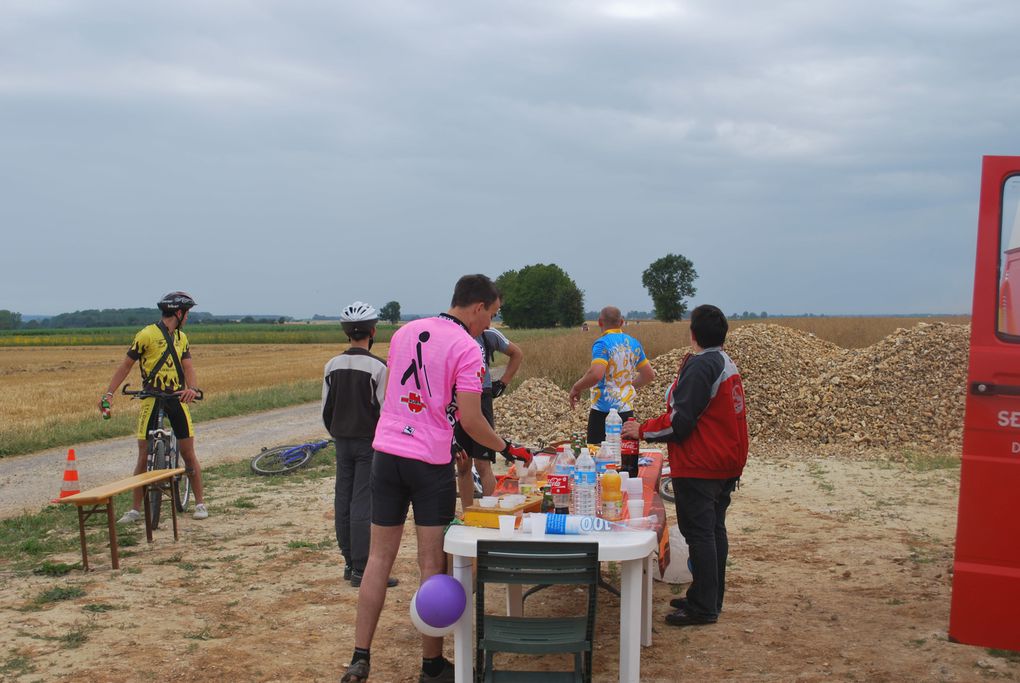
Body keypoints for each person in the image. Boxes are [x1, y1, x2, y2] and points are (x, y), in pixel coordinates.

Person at [340, 274, 531, 683]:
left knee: (377, 559)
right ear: (477, 306)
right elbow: (472, 418)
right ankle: (431, 665)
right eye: (491, 315)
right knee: (433, 563)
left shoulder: (405, 332)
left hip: (386, 454)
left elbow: (404, 395)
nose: (489, 325)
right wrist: (506, 447)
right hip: (428, 463)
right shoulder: (467, 346)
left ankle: (360, 656)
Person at [622, 304, 749, 627]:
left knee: (701, 533)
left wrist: (644, 429)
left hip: (701, 463)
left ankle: (704, 606)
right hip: (723, 461)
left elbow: (681, 422)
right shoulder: (723, 361)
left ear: (692, 333)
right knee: (713, 531)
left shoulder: (702, 365)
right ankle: (707, 596)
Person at [100, 291, 208, 522]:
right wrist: (109, 393)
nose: (188, 317)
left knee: (189, 454)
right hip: (151, 398)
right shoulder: (146, 334)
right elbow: (125, 366)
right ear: (179, 312)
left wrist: (193, 389)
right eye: (187, 313)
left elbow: (188, 367)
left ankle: (200, 503)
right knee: (143, 456)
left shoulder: (182, 338)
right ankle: (135, 509)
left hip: (177, 398)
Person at [322, 301, 397, 589]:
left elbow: (325, 410)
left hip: (342, 440)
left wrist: (337, 432)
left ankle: (348, 561)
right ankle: (362, 568)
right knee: (363, 500)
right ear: (373, 331)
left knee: (343, 497)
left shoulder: (332, 365)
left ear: (346, 333)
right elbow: (384, 408)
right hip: (369, 442)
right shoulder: (379, 367)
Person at [454, 327, 523, 511]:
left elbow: (516, 353)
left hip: (481, 396)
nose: (489, 321)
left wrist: (503, 382)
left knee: (483, 463)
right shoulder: (454, 332)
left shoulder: (488, 334)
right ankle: (468, 512)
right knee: (462, 463)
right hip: (457, 398)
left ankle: (490, 511)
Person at [568, 306, 654, 445]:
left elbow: (596, 374)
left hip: (602, 412)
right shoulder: (633, 343)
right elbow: (649, 375)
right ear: (621, 322)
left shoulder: (602, 344)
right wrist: (627, 385)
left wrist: (576, 387)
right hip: (626, 412)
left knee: (598, 457)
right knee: (625, 457)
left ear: (600, 322)